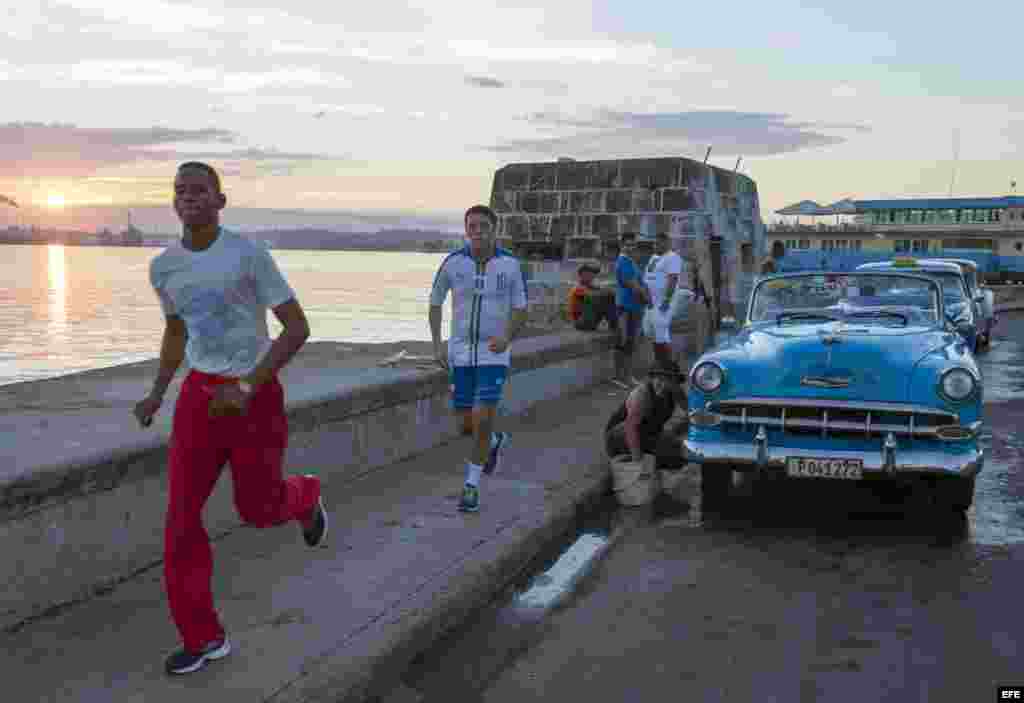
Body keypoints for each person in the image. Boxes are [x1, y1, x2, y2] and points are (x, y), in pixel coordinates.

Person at [133, 162, 327, 676]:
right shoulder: (164, 267)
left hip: (254, 396)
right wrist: (157, 392)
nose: (188, 198)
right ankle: (203, 637)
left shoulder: (249, 254)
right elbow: (177, 332)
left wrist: (247, 387)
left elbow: (297, 328)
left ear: (221, 200)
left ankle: (304, 496)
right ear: (173, 201)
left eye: (199, 191)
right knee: (180, 520)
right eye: (180, 191)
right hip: (199, 398)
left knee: (259, 510)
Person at [429, 204, 528, 513]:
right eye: (472, 226)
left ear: (493, 229)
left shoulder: (509, 265)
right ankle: (494, 441)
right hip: (460, 352)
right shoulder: (453, 263)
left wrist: (507, 337)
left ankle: (471, 486)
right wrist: (437, 345)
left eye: (483, 226)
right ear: (466, 230)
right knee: (466, 425)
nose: (477, 231)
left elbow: (521, 309)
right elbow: (435, 302)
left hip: (493, 353)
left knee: (483, 416)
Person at [604, 360, 688, 470]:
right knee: (662, 451)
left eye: (669, 381)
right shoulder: (642, 394)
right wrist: (638, 461)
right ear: (652, 378)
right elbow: (630, 428)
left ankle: (656, 468)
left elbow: (691, 412)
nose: (663, 385)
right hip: (619, 437)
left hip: (646, 434)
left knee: (677, 456)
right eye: (660, 379)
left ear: (675, 383)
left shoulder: (675, 391)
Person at [643, 233, 684, 366]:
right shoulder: (654, 257)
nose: (656, 245)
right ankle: (659, 361)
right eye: (655, 243)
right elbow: (648, 277)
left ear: (666, 243)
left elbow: (673, 279)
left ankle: (667, 364)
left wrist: (666, 300)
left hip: (663, 301)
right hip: (651, 302)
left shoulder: (673, 257)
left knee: (661, 331)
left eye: (660, 243)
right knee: (649, 330)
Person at [613, 233, 648, 385]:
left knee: (630, 341)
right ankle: (624, 377)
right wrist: (647, 298)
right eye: (627, 245)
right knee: (627, 341)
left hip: (634, 306)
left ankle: (625, 376)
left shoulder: (630, 261)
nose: (630, 248)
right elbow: (632, 284)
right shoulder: (623, 262)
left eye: (633, 245)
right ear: (622, 246)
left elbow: (639, 282)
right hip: (627, 306)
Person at [567, 263, 617, 331]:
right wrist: (607, 292)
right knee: (605, 296)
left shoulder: (591, 286)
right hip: (580, 322)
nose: (594, 276)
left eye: (594, 273)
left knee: (609, 296)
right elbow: (591, 295)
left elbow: (602, 292)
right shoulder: (578, 288)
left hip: (589, 319)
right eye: (591, 273)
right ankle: (614, 326)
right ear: (583, 274)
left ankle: (614, 326)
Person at [688, 253, 715, 357]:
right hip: (701, 303)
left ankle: (703, 352)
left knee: (703, 332)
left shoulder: (700, 275)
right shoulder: (698, 276)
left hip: (702, 303)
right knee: (702, 332)